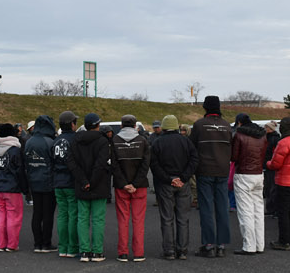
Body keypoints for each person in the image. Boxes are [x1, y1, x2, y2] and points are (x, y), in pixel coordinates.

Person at [189, 95, 235, 256]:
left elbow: (191, 147)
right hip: (223, 170)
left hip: (204, 170)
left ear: (205, 107)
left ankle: (208, 245)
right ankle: (221, 245)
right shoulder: (226, 125)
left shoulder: (199, 125)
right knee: (222, 208)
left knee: (206, 209)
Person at [150, 113, 196, 259]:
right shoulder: (186, 141)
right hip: (183, 183)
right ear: (176, 126)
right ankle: (182, 250)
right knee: (183, 218)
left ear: (163, 127)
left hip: (165, 184)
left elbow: (154, 165)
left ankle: (169, 250)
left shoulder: (157, 142)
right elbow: (194, 160)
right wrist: (183, 177)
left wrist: (169, 179)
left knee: (167, 218)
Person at [67, 112, 112, 262]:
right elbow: (101, 164)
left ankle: (84, 251)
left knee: (82, 219)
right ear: (98, 125)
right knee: (98, 219)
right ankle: (97, 252)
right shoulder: (103, 141)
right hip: (99, 185)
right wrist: (92, 181)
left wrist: (83, 181)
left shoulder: (75, 140)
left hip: (81, 184)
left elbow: (71, 163)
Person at [110, 113, 151, 261]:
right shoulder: (143, 141)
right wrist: (136, 183)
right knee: (138, 220)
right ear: (135, 126)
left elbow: (114, 165)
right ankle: (138, 253)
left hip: (121, 187)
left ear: (121, 125)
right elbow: (146, 165)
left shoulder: (115, 140)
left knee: (123, 220)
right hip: (139, 187)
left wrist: (124, 183)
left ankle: (123, 252)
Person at [266, 116, 290, 249]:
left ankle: (284, 241)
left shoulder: (283, 143)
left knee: (283, 213)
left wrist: (268, 163)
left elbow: (276, 164)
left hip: (284, 182)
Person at [230, 113, 267, 254]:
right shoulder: (263, 135)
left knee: (246, 211)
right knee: (258, 211)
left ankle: (249, 246)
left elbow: (234, 157)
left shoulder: (239, 135)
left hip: (243, 174)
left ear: (239, 122)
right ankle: (260, 245)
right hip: (258, 174)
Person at [22, 114, 57, 252]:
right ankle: (46, 243)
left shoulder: (29, 142)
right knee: (48, 214)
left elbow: (26, 162)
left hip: (33, 180)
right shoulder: (50, 142)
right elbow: (54, 162)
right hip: (48, 181)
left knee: (37, 213)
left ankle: (37, 243)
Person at [0, 122, 26, 252]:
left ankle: (1, 244)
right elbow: (19, 171)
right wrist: (24, 187)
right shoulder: (15, 150)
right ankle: (12, 245)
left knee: (1, 215)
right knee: (13, 216)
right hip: (12, 188)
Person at [51, 111, 81, 258]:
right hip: (71, 181)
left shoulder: (55, 140)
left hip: (58, 181)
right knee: (73, 215)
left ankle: (62, 247)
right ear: (72, 124)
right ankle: (72, 247)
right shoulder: (75, 139)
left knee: (62, 215)